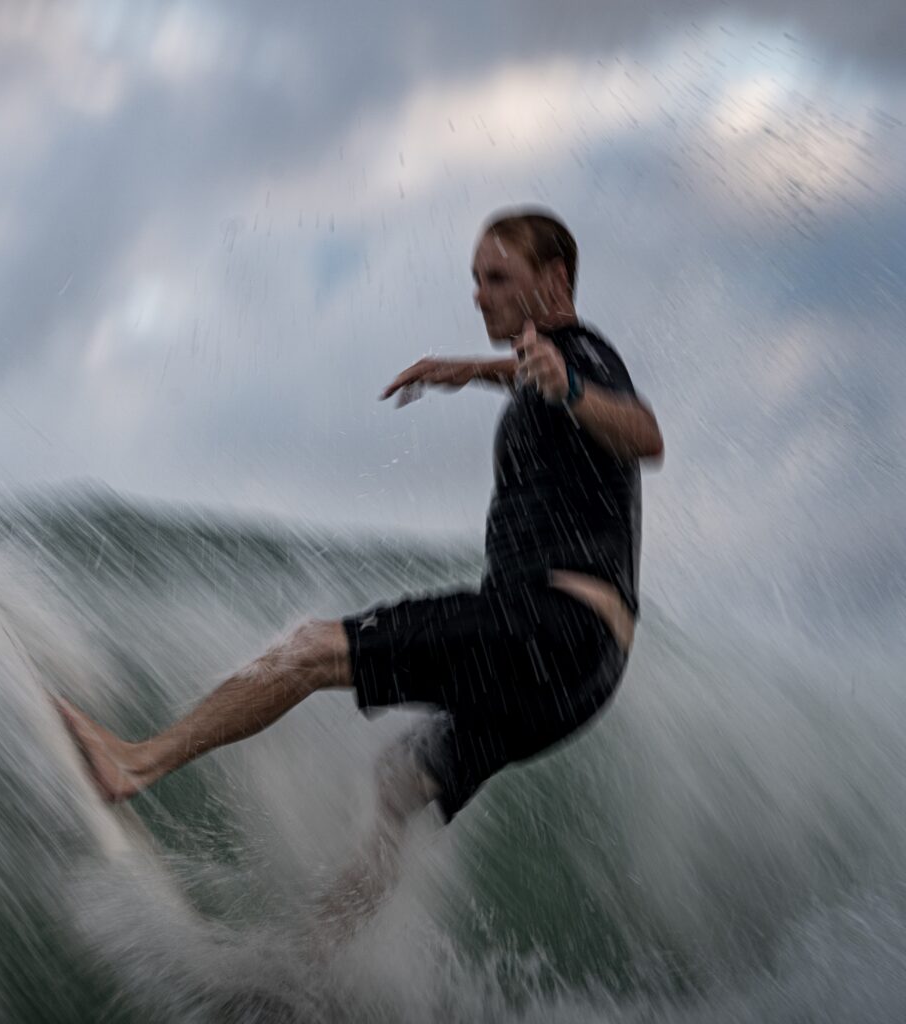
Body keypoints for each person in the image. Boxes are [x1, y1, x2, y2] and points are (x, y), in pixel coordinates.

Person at [57, 207, 663, 933]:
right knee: (400, 785)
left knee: (310, 649)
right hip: (586, 672)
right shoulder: (550, 364)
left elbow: (643, 434)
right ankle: (316, 967)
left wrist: (561, 385)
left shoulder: (578, 357)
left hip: (550, 623)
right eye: (474, 279)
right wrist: (476, 371)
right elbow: (547, 382)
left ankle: (137, 763)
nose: (478, 294)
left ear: (555, 279)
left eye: (497, 277)